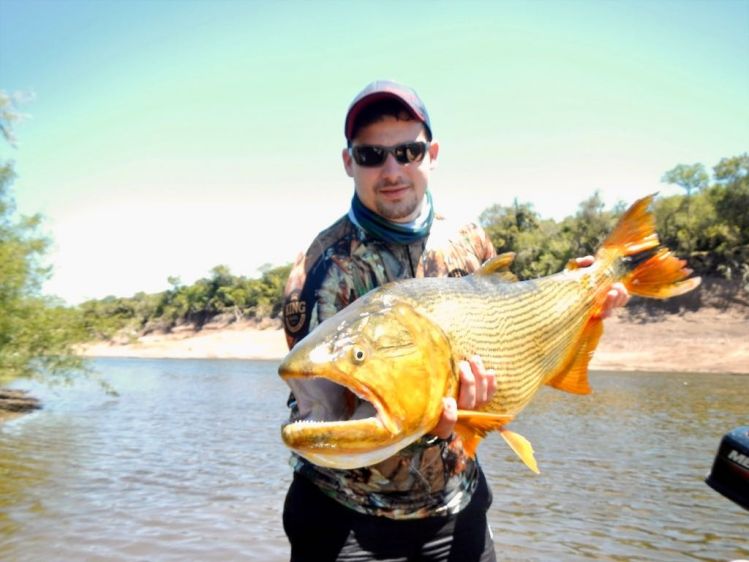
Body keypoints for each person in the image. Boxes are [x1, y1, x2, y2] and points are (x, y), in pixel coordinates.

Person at [281, 80, 628, 562]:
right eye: (371, 155)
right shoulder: (320, 267)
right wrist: (431, 421)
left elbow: (517, 338)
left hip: (456, 512)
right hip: (347, 524)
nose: (392, 169)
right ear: (348, 162)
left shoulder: (469, 241)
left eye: (408, 151)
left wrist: (584, 302)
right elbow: (325, 416)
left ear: (433, 154)